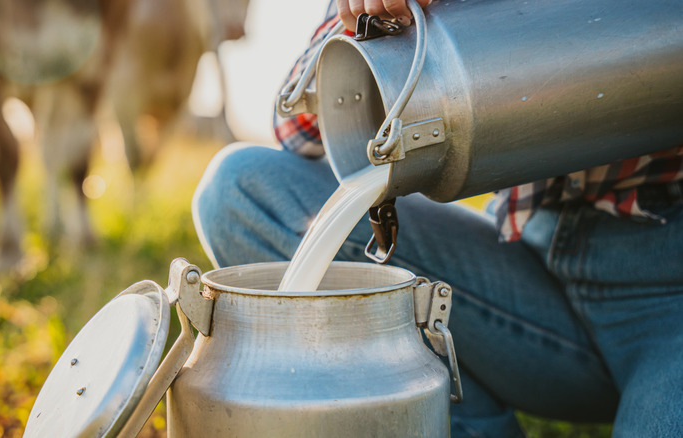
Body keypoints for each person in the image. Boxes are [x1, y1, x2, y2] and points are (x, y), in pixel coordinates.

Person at [192, 0, 683, 436]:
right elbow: (297, 127)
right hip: (532, 273)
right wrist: (376, 15)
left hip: (668, 293)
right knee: (241, 193)